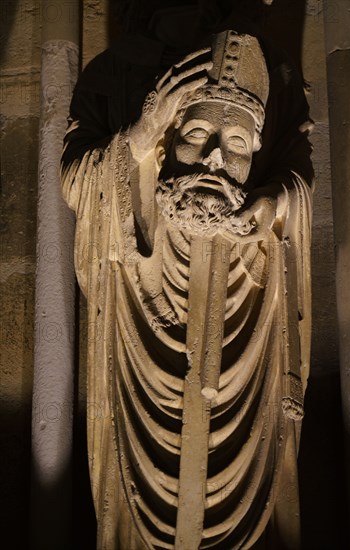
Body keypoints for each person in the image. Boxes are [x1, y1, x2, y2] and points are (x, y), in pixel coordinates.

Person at [61, 5, 313, 549]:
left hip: (245, 299)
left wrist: (272, 204)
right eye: (195, 135)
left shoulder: (274, 69)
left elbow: (297, 170)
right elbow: (77, 182)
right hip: (139, 298)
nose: (214, 160)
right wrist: (143, 133)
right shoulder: (114, 72)